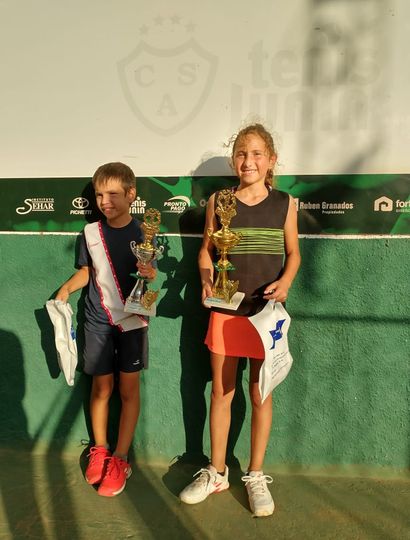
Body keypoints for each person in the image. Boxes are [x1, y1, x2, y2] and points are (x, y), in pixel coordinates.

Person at [179, 124, 301, 516]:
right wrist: (206, 280)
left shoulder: (286, 203)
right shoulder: (220, 200)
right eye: (242, 154)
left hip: (265, 316)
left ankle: (255, 473)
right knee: (221, 391)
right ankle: (216, 471)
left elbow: (294, 254)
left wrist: (285, 282)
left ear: (271, 160)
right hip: (225, 310)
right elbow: (205, 252)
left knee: (260, 393)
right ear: (235, 160)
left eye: (256, 154)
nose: (248, 161)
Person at [55, 162, 156, 497]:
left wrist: (150, 273)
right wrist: (66, 289)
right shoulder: (90, 234)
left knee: (128, 390)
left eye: (112, 193)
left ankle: (121, 457)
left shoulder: (145, 233)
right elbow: (86, 272)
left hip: (132, 321)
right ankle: (100, 448)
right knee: (101, 389)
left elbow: (151, 273)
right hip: (97, 319)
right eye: (99, 194)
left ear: (131, 194)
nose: (105, 200)